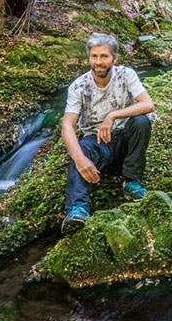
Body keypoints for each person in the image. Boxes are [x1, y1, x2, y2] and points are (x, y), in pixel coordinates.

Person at [60, 32, 155, 233]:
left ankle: (131, 181)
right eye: (94, 56)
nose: (98, 61)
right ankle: (78, 209)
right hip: (96, 143)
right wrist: (79, 159)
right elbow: (67, 125)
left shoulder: (126, 75)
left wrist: (112, 116)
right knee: (81, 149)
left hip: (124, 141)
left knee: (141, 121)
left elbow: (148, 104)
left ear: (114, 58)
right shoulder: (78, 86)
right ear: (88, 58)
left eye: (104, 56)